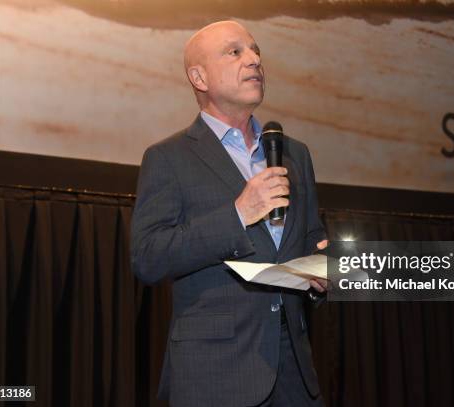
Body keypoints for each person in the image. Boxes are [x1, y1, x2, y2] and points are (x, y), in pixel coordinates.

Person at [130, 20, 328, 406]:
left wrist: (323, 267)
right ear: (199, 76)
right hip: (215, 375)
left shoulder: (294, 153)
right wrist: (238, 214)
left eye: (256, 51)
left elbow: (312, 238)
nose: (254, 60)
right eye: (235, 52)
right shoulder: (169, 158)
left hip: (295, 375)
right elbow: (148, 256)